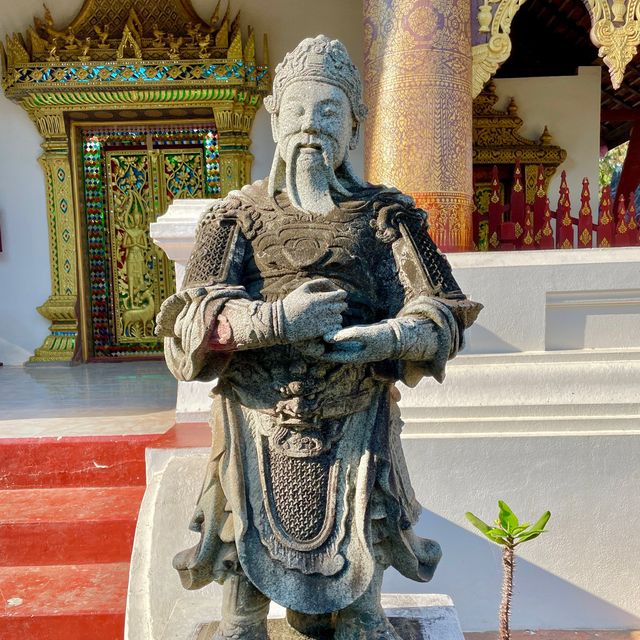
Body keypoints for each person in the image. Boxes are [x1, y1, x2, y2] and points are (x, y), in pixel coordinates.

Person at [156, 35, 481, 640]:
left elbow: (445, 310)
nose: (312, 126)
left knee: (370, 512)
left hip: (356, 412)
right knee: (237, 519)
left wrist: (386, 338)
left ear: (354, 129)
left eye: (329, 113)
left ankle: (362, 611)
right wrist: (277, 322)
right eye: (299, 112)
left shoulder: (388, 215)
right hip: (256, 415)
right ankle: (243, 616)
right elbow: (188, 322)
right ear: (275, 119)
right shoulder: (234, 217)